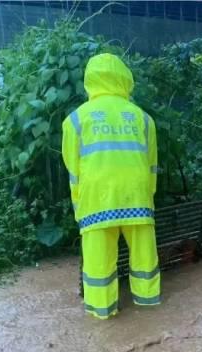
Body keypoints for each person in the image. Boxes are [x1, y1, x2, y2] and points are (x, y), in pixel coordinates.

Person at [62, 53, 161, 319]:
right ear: (126, 80)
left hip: (96, 201)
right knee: (144, 259)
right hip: (137, 198)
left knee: (98, 264)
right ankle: (149, 309)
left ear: (90, 80)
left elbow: (74, 169)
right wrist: (146, 197)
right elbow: (152, 166)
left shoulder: (74, 119)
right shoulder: (144, 119)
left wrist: (78, 207)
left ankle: (102, 315)